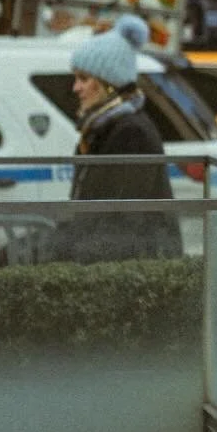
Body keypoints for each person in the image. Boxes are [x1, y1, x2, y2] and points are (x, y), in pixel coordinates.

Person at [52, 14, 181, 264]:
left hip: (134, 268)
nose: (75, 88)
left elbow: (124, 221)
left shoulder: (131, 133)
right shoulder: (100, 128)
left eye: (84, 78)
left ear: (109, 84)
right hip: (107, 260)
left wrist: (73, 258)